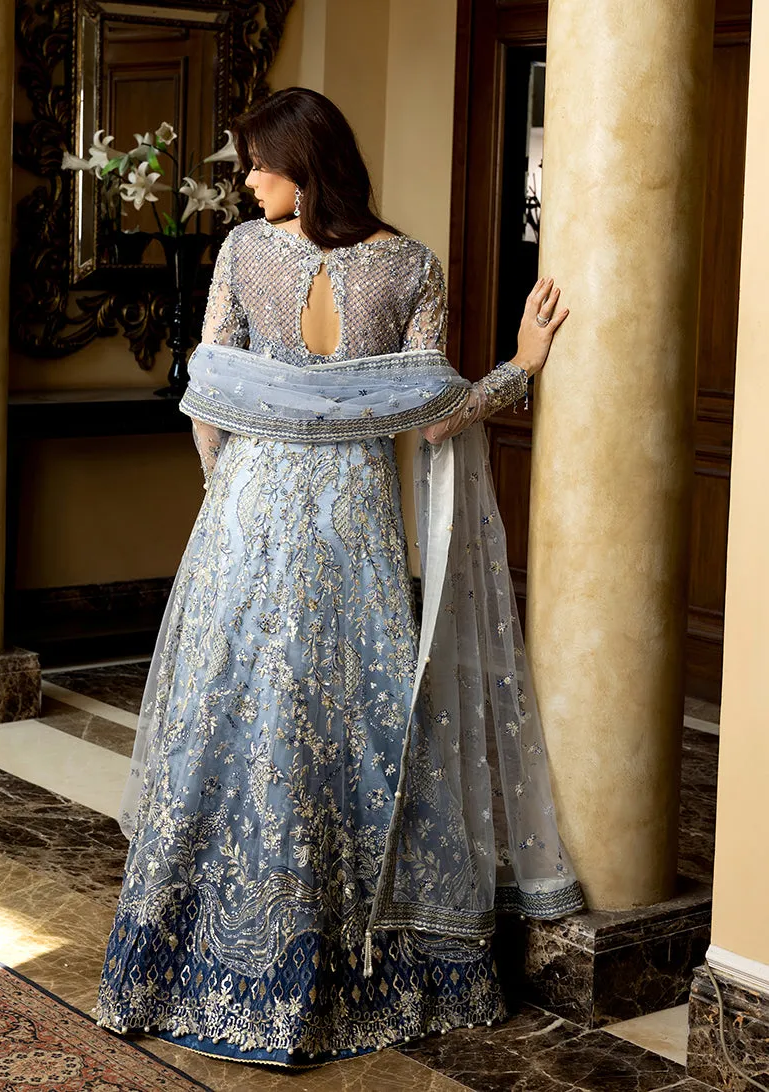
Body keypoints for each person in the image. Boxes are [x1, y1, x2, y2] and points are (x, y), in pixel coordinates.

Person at [95, 87, 581, 1068]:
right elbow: (437, 419)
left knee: (237, 718)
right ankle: (369, 972)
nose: (246, 181)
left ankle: (212, 964)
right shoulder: (411, 265)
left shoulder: (243, 254)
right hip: (354, 526)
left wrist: (227, 493)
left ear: (302, 167)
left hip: (248, 519)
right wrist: (521, 367)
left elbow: (207, 402)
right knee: (360, 723)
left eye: (256, 164)